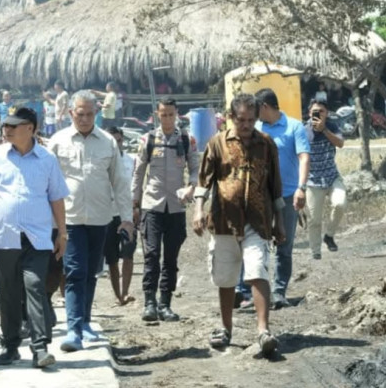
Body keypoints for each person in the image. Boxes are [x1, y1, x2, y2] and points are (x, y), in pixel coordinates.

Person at [0, 107, 70, 369]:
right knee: (7, 294)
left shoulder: (47, 159)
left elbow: (56, 197)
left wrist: (62, 231)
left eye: (15, 126)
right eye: (6, 125)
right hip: (5, 237)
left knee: (35, 286)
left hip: (37, 237)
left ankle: (39, 348)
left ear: (31, 128)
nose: (7, 130)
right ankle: (11, 346)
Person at [193, 93, 285, 357]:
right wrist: (199, 211)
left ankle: (263, 331)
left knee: (257, 270)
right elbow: (204, 183)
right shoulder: (217, 144)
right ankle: (225, 328)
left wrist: (279, 223)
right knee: (226, 277)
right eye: (241, 119)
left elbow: (275, 187)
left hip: (258, 221)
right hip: (223, 221)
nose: (246, 125)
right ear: (231, 117)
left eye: (251, 120)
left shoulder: (266, 144)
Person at [47, 90, 134, 352]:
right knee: (74, 272)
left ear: (96, 112)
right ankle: (73, 330)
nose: (84, 119)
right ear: (71, 112)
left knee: (91, 272)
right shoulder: (58, 141)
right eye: (79, 114)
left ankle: (84, 321)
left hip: (100, 219)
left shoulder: (107, 142)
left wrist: (127, 218)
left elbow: (119, 182)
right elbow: (47, 183)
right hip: (68, 219)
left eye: (89, 114)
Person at [240, 88, 309, 310]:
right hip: (259, 197)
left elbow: (304, 157)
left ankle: (279, 292)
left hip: (288, 195)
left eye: (256, 109)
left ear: (265, 107)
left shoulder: (294, 127)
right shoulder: (256, 128)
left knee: (284, 244)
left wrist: (301, 188)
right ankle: (247, 293)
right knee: (252, 242)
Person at [133, 98, 199, 322]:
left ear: (177, 114)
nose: (168, 119)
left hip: (177, 207)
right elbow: (139, 173)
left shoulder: (187, 140)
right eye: (163, 114)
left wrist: (191, 186)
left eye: (171, 114)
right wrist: (135, 203)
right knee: (151, 255)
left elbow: (195, 169)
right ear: (157, 114)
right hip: (152, 205)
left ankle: (165, 303)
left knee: (171, 257)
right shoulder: (148, 139)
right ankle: (149, 303)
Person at [304, 99, 346, 259]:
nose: (318, 114)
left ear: (327, 113)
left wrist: (324, 130)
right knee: (314, 220)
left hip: (332, 177)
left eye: (322, 111)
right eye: (315, 111)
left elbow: (340, 143)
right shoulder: (303, 131)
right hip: (313, 181)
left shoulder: (332, 125)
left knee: (340, 204)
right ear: (309, 113)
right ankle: (316, 252)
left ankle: (329, 236)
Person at [105, 126, 137, 306]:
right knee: (111, 258)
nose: (116, 144)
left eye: (118, 140)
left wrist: (134, 209)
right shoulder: (102, 160)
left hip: (126, 213)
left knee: (128, 252)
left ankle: (125, 292)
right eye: (112, 141)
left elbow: (134, 185)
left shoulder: (131, 161)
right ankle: (117, 295)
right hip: (107, 214)